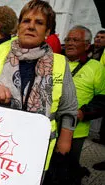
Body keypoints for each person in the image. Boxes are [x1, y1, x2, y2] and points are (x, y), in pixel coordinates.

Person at [0, 0, 77, 176]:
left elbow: (69, 108)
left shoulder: (60, 63)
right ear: (19, 27)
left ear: (48, 31)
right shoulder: (1, 52)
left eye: (39, 23)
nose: (31, 27)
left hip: (37, 147)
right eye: (26, 21)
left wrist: (65, 141)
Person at [64, 25, 105, 163]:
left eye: (75, 40)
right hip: (48, 128)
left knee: (66, 168)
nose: (69, 43)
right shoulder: (55, 61)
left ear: (87, 45)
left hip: (76, 132)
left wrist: (83, 112)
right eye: (68, 39)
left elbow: (102, 99)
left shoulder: (96, 67)